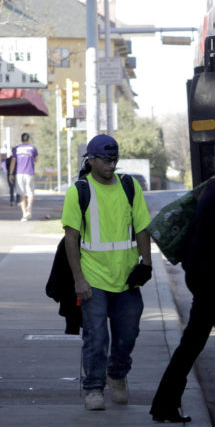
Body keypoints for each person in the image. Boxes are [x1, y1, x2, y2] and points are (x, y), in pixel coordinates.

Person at [62, 134, 152, 411]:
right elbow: (71, 237)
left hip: (126, 280)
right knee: (97, 337)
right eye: (105, 160)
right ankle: (93, 388)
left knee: (128, 334)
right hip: (94, 279)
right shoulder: (79, 191)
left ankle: (117, 373)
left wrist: (145, 264)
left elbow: (142, 228)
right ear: (90, 160)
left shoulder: (129, 187)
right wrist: (79, 278)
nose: (111, 165)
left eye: (114, 159)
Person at [150, 175, 215, 423]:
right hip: (210, 278)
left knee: (191, 343)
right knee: (192, 344)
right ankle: (165, 405)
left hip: (201, 275)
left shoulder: (211, 189)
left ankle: (165, 405)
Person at [10, 132, 38, 221]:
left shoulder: (16, 149)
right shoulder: (32, 148)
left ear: (21, 139)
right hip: (29, 172)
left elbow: (13, 161)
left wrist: (11, 173)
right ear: (28, 139)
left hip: (19, 173)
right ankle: (29, 207)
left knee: (21, 194)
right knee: (30, 192)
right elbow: (36, 159)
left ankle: (24, 214)